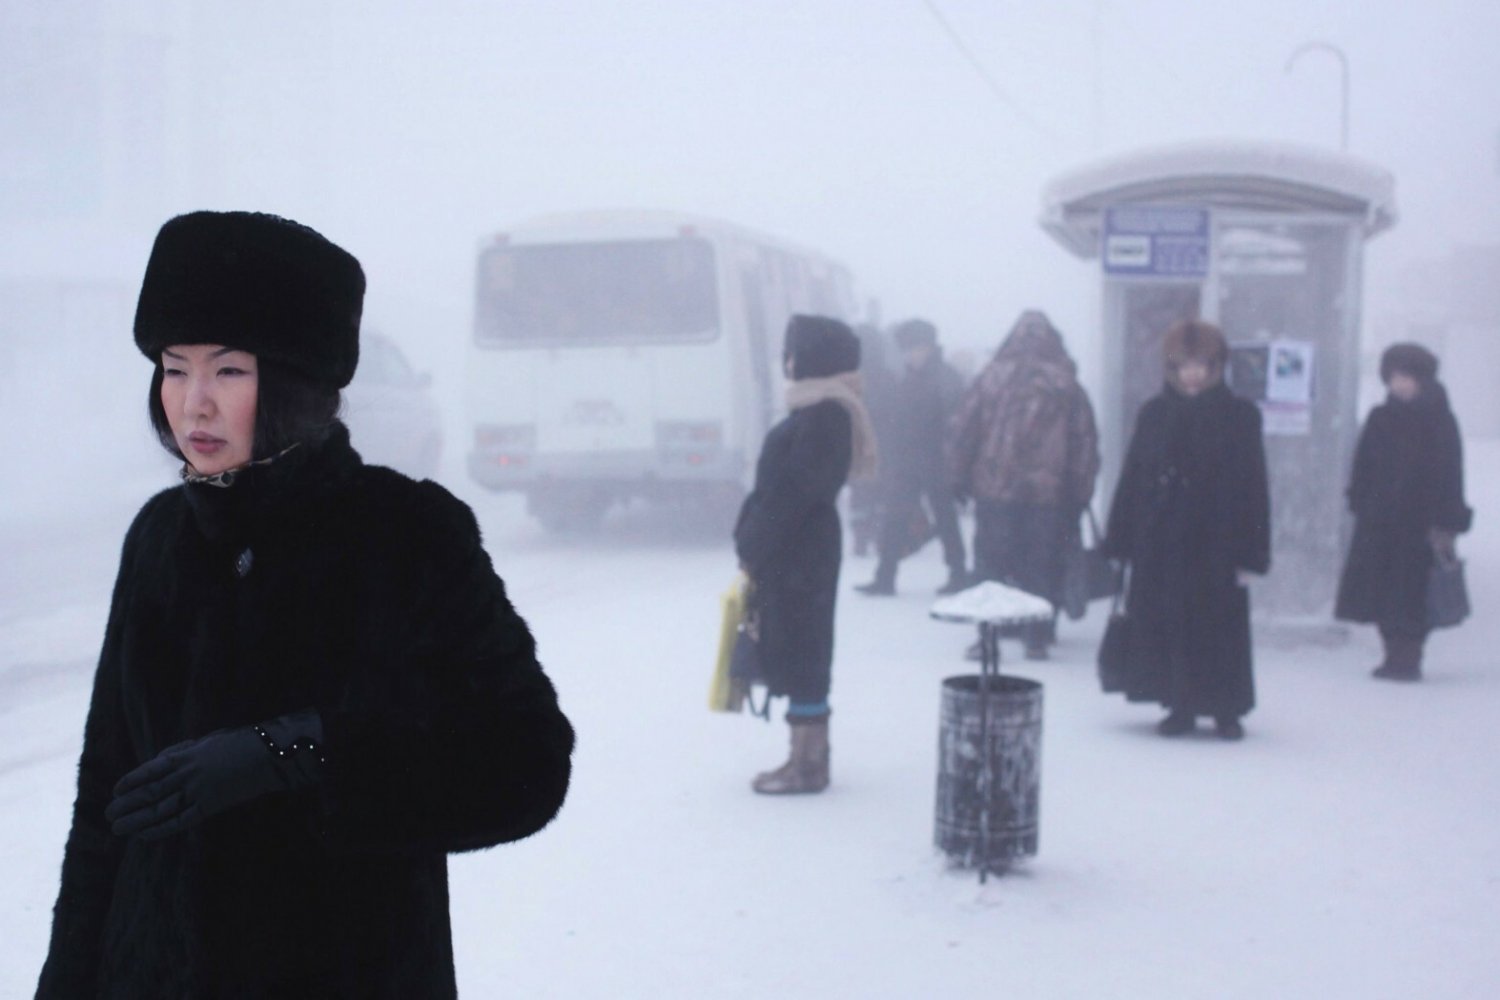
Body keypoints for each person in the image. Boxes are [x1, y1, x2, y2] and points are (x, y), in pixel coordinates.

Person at [34, 211, 574, 998]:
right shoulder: (159, 539)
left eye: (228, 371)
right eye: (174, 369)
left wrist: (296, 754)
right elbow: (104, 803)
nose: (194, 405)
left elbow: (525, 761)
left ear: (292, 382)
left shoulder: (405, 535)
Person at [1102, 319, 1269, 740]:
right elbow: (1134, 475)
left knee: (1221, 627)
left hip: (1219, 543)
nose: (1191, 374)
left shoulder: (1239, 416)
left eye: (1201, 364)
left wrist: (1252, 551)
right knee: (1169, 622)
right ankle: (1179, 704)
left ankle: (1226, 708)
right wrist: (1120, 539)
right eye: (1182, 365)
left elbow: (1254, 485)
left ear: (1217, 366)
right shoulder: (1154, 413)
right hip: (1163, 541)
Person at [734, 315, 877, 795]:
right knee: (797, 645)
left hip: (801, 550)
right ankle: (801, 755)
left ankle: (810, 763)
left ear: (817, 356)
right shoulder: (817, 407)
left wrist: (756, 535)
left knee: (805, 650)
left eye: (795, 351)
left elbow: (798, 489)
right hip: (796, 547)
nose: (788, 361)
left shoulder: (826, 412)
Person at [948, 311, 1100, 659]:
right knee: (1041, 564)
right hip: (1049, 494)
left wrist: (958, 476)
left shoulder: (990, 379)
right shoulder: (1066, 385)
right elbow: (1084, 442)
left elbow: (963, 431)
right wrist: (1081, 490)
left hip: (994, 489)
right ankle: (1037, 635)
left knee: (990, 565)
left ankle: (988, 635)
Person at [1335, 343, 1471, 681]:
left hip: (1421, 524)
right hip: (1380, 521)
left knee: (1414, 594)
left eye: (1407, 377)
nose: (1400, 384)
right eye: (1395, 377)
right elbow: (1363, 463)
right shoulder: (1381, 417)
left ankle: (1407, 657)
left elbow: (1452, 471)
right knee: (1380, 590)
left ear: (1422, 379)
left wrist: (1447, 519)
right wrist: (1360, 499)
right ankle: (1392, 652)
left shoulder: (1440, 419)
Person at [855, 318, 967, 596]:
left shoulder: (945, 378)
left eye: (912, 349)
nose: (908, 355)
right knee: (895, 518)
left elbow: (957, 424)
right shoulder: (911, 378)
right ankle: (885, 576)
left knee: (946, 519)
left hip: (936, 461)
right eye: (905, 349)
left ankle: (958, 573)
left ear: (927, 347)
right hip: (908, 461)